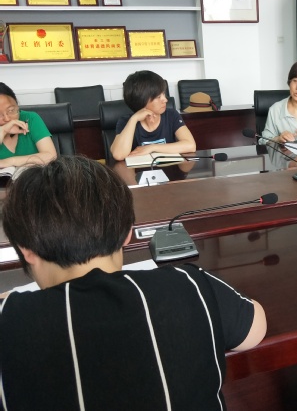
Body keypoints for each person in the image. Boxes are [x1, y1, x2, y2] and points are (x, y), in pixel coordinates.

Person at [0, 156, 267, 410]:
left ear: (25, 249)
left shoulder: (9, 321)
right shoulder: (188, 283)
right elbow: (255, 327)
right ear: (128, 233)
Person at [111, 70, 196, 161]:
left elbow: (190, 145)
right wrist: (134, 119)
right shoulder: (126, 121)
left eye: (163, 94)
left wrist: (152, 147)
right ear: (142, 100)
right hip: (140, 169)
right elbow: (118, 155)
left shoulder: (171, 115)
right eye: (158, 97)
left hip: (169, 168)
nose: (165, 100)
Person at [0, 82, 56, 168]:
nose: (7, 119)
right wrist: (3, 131)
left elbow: (50, 156)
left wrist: (11, 161)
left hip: (35, 176)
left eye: (11, 110)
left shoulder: (30, 119)